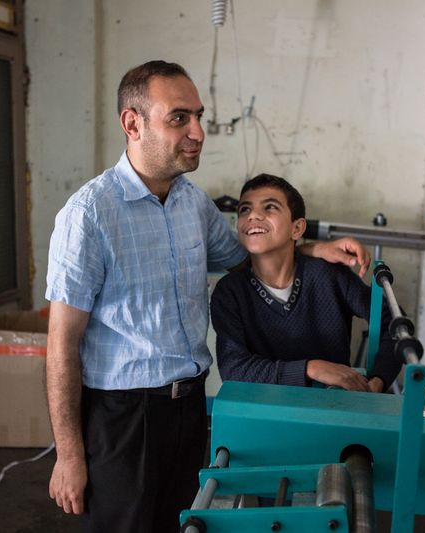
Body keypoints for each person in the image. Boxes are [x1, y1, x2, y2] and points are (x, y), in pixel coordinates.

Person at [44, 60, 371, 533]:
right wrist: (69, 455)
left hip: (189, 407)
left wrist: (313, 248)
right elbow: (60, 346)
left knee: (181, 523)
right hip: (122, 418)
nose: (198, 131)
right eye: (179, 118)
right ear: (132, 123)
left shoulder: (190, 201)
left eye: (197, 116)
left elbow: (247, 253)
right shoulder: (89, 215)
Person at [210, 173, 401, 392]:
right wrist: (310, 368)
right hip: (263, 417)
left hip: (330, 411)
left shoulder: (328, 274)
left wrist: (378, 380)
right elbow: (234, 369)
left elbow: (394, 321)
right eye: (245, 209)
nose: (253, 215)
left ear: (297, 229)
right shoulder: (230, 292)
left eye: (270, 207)